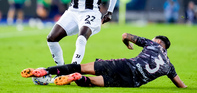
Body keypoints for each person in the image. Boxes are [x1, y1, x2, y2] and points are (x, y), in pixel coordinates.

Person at [21, 33, 187, 88]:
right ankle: (78, 79)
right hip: (131, 82)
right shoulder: (169, 66)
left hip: (123, 65)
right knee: (93, 81)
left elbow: (125, 35)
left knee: (79, 67)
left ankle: (45, 71)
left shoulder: (153, 44)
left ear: (159, 42)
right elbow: (181, 85)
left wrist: (127, 44)